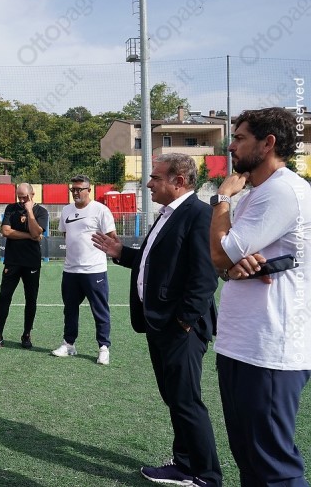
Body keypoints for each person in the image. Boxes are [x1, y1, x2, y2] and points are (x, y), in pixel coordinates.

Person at [92, 153, 221, 486]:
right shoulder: (168, 214)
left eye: (155, 177)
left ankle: (207, 476)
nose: (148, 184)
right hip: (160, 323)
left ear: (178, 181)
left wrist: (184, 321)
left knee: (186, 400)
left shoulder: (199, 214)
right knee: (175, 398)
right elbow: (156, 263)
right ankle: (184, 463)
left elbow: (205, 276)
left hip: (180, 327)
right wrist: (121, 253)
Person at [209, 107, 311, 486]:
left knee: (274, 469)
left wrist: (220, 199)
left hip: (270, 350)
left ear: (268, 144)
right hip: (243, 345)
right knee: (250, 462)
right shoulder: (258, 193)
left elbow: (220, 252)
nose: (231, 146)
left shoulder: (282, 190)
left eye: (239, 138)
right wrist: (230, 267)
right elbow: (226, 261)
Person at [52, 175, 116, 365]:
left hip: (94, 270)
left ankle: (103, 347)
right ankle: (69, 344)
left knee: (100, 310)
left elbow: (112, 237)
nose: (76, 192)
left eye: (79, 189)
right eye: (73, 189)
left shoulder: (100, 210)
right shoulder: (66, 210)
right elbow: (66, 234)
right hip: (71, 270)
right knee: (70, 310)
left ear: (89, 190)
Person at [0, 183, 47, 349]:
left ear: (32, 194)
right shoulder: (11, 208)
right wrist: (30, 236)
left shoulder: (41, 211)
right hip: (12, 261)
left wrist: (29, 211)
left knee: (31, 299)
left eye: (24, 197)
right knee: (4, 297)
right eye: (19, 197)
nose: (21, 200)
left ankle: (26, 334)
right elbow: (6, 231)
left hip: (31, 262)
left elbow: (37, 232)